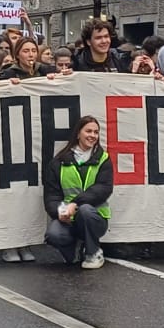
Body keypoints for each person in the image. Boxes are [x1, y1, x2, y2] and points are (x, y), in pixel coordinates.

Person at [44, 114, 113, 269]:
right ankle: (74, 252)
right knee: (54, 234)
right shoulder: (58, 162)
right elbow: (52, 196)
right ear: (78, 134)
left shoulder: (103, 159)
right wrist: (61, 213)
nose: (93, 136)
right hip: (69, 219)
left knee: (85, 210)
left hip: (95, 218)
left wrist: (75, 204)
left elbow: (103, 189)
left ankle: (93, 252)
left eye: (96, 132)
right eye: (88, 131)